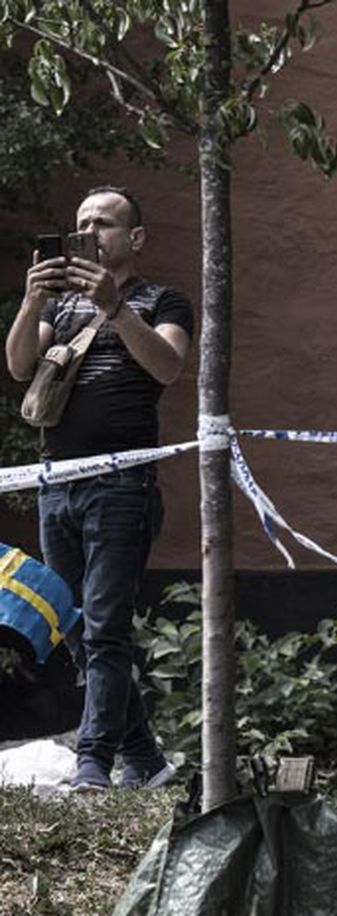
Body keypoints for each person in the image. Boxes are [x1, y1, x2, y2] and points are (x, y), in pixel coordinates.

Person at [5, 185, 193, 791]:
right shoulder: (60, 311)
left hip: (122, 485)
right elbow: (18, 367)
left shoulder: (163, 300)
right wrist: (33, 301)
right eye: (83, 222)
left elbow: (167, 366)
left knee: (107, 624)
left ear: (133, 239)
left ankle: (94, 765)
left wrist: (115, 308)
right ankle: (145, 758)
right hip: (57, 485)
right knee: (79, 625)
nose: (91, 232)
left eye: (105, 224)